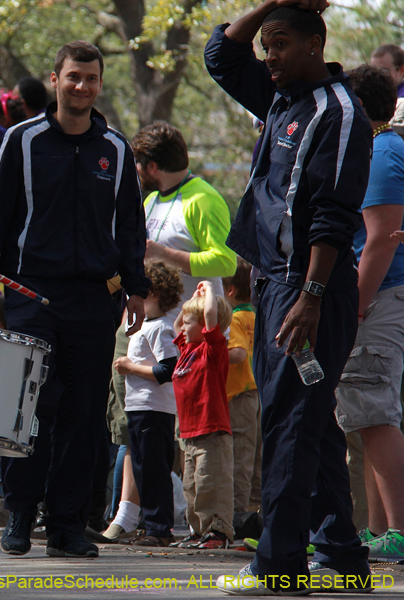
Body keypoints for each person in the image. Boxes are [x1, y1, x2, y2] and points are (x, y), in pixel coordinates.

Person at [205, 1, 373, 591]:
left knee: (290, 424)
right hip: (276, 285)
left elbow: (334, 214)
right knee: (311, 423)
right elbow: (221, 57)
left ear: (314, 45)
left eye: (280, 44)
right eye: (267, 45)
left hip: (310, 294)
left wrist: (311, 296)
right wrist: (272, 2)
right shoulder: (279, 96)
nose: (269, 56)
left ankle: (278, 567)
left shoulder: (339, 112)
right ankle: (342, 555)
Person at [0, 40, 148, 558]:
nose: (82, 86)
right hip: (31, 293)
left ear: (99, 83)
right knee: (30, 404)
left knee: (83, 413)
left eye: (90, 78)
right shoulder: (20, 140)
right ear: (55, 80)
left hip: (94, 299)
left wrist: (136, 285)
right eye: (73, 76)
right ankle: (20, 514)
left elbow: (130, 225)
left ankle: (66, 526)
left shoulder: (115, 148)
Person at [334, 64, 404, 563]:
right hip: (379, 299)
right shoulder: (384, 147)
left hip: (378, 300)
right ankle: (379, 532)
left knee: (376, 415)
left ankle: (397, 531)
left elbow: (380, 239)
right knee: (366, 415)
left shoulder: (380, 152)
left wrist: (354, 308)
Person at [112, 261, 182, 547]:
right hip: (139, 409)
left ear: (153, 293)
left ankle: (159, 529)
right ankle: (150, 525)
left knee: (154, 470)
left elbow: (168, 370)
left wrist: (130, 367)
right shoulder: (146, 326)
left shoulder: (162, 328)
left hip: (154, 410)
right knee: (142, 468)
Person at [131, 121, 237, 302]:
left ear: (152, 167)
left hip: (196, 319)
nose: (135, 170)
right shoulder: (151, 200)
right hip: (153, 318)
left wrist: (165, 255)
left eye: (137, 163)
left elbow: (226, 263)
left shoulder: (204, 199)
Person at [170, 282, 235, 550]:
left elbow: (209, 315)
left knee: (211, 484)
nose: (183, 328)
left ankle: (218, 531)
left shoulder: (212, 349)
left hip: (212, 431)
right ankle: (198, 530)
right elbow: (177, 325)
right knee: (192, 486)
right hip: (189, 433)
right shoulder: (187, 350)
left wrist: (208, 288)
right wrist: (192, 299)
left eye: (189, 323)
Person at [222, 258, 262, 516]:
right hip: (256, 393)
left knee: (240, 457)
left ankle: (238, 514)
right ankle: (256, 508)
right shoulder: (257, 316)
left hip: (238, 397)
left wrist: (209, 354)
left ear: (230, 290)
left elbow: (236, 353)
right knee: (255, 455)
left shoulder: (234, 319)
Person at [370, 44, 404, 135]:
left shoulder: (401, 100)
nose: (377, 76)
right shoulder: (376, 97)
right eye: (373, 71)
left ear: (401, 70)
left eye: (383, 71)